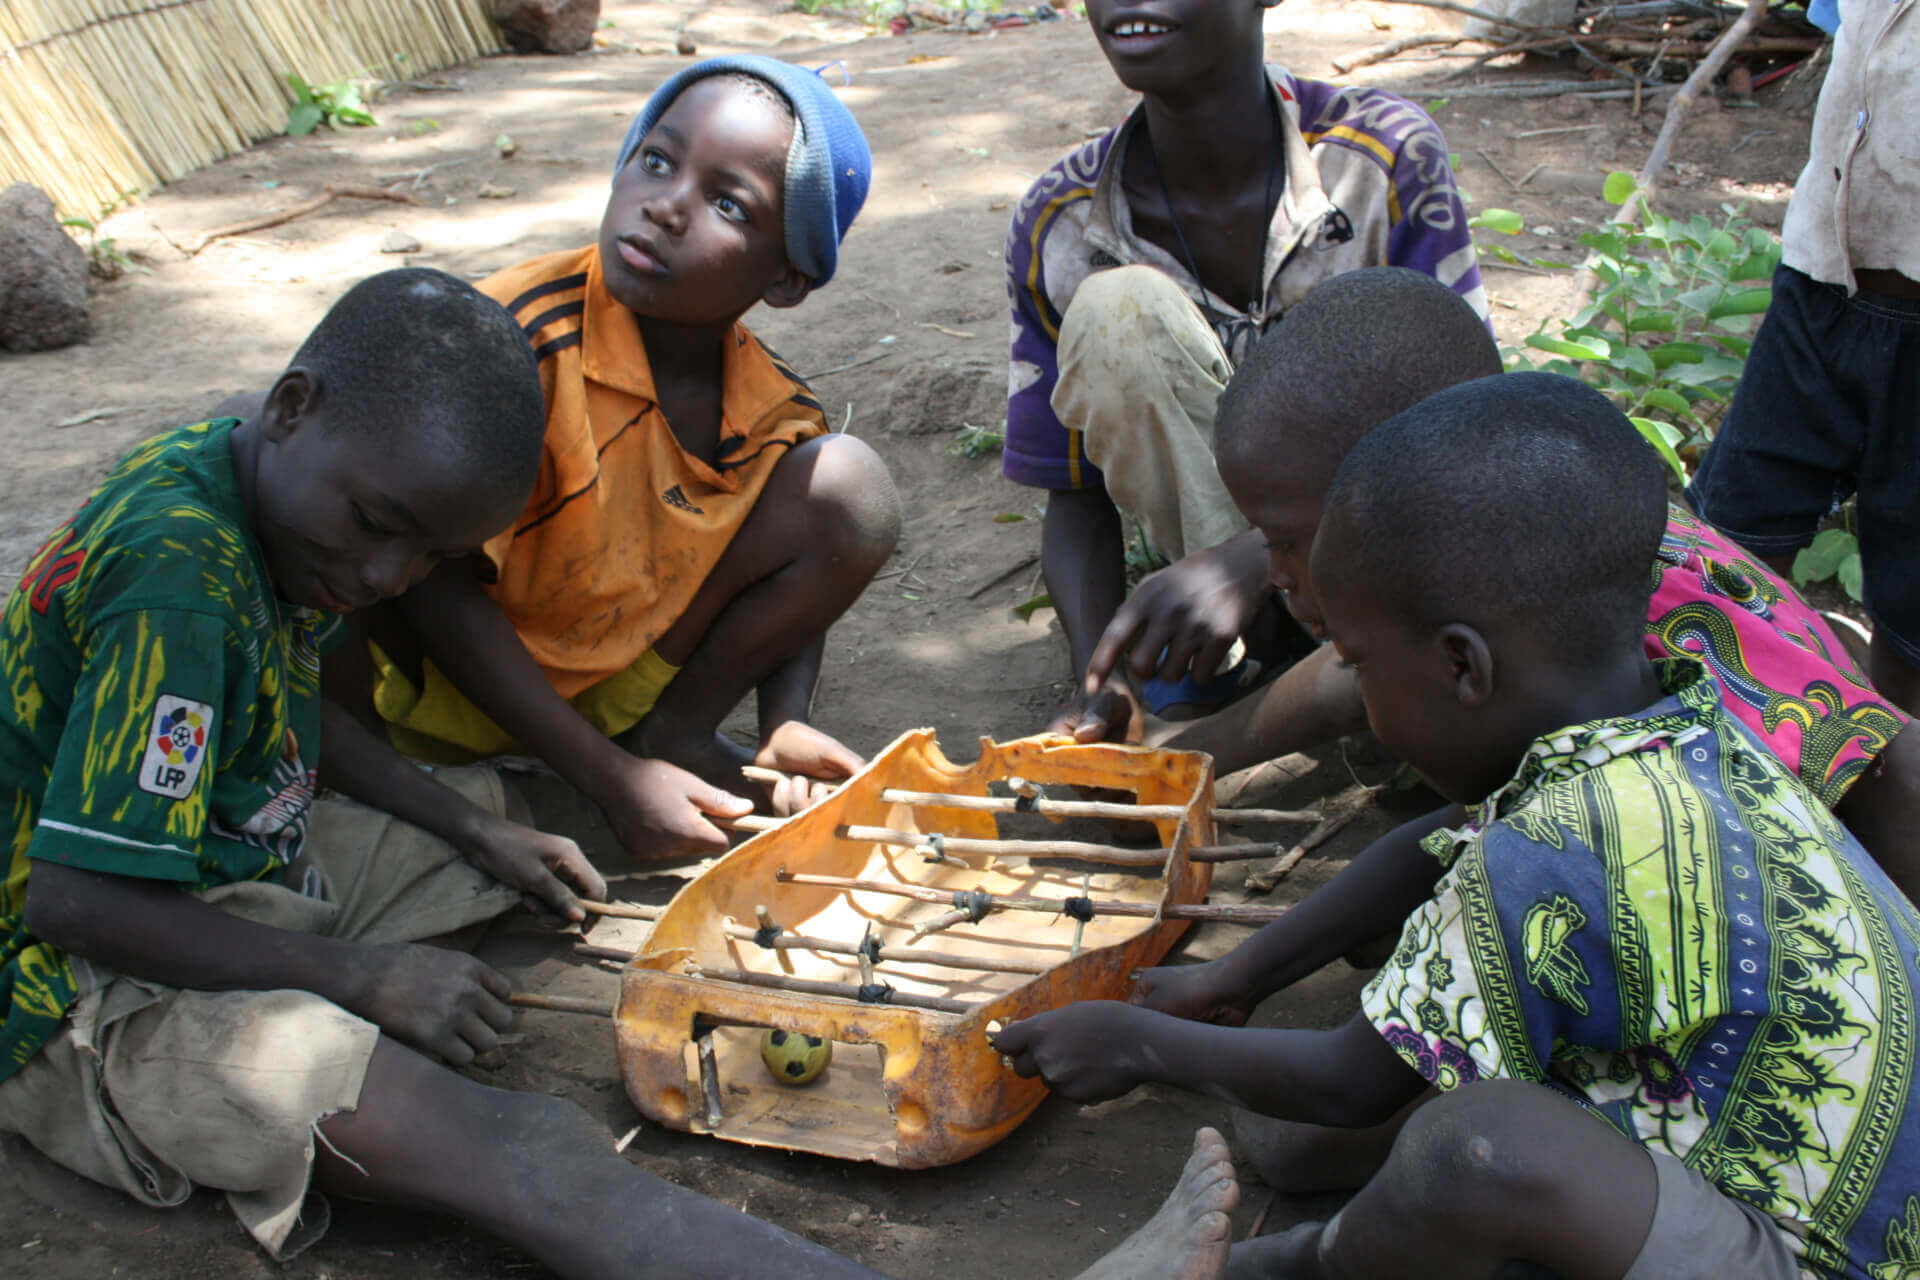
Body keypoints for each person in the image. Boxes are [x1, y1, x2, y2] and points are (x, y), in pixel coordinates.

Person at [0, 266, 1244, 1280]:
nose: (383, 579)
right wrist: (356, 974)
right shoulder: (177, 579)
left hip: (225, 858)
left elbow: (285, 733)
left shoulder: (274, 500)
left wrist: (470, 831)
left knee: (517, 826)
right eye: (380, 529)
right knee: (519, 1147)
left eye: (423, 555)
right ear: (292, 404)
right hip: (75, 984)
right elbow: (75, 900)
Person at [995, 373, 1920, 1279]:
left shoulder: (1549, 851)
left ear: (1462, 668)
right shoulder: (1694, 732)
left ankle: (1298, 1269)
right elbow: (1440, 842)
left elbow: (1351, 1083)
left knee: (1477, 1146)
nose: (1359, 694)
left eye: (1358, 666)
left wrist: (1133, 1042)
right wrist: (1236, 981)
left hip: (1830, 1258)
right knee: (1391, 1119)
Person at [350, 56, 902, 861]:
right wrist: (606, 778)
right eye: (656, 160)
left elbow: (805, 588)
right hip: (436, 685)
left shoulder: (773, 407)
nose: (667, 206)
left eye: (726, 202)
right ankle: (391, 787)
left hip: (613, 679)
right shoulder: (512, 340)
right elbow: (435, 589)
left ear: (785, 278)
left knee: (846, 487)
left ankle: (671, 737)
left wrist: (783, 716)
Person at [1001, 0, 1485, 739]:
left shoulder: (1379, 159)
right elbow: (1075, 498)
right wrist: (1101, 680)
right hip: (1220, 597)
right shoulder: (1061, 221)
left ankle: (1349, 663)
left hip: (1398, 567)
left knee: (1378, 325)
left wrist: (1257, 557)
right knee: (1117, 312)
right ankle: (1231, 666)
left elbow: (1471, 429)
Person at [1685, 0, 1920, 717]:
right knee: (1729, 542)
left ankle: (1893, 786)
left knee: (1912, 609)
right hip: (1822, 278)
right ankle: (1717, 751)